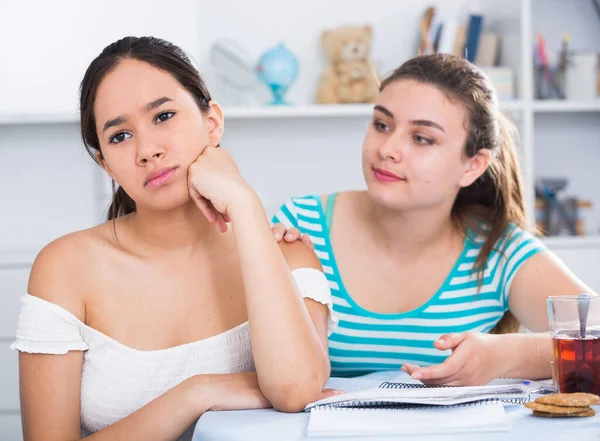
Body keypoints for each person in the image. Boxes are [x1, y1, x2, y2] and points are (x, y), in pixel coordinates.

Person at [12, 36, 339, 441]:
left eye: (164, 116)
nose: (147, 150)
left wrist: (243, 202)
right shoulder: (64, 268)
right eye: (119, 136)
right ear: (106, 165)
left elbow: (296, 390)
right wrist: (196, 393)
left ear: (212, 122)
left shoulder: (287, 254)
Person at [272, 53, 595, 385]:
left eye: (421, 138)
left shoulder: (498, 250)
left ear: (472, 166)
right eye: (382, 125)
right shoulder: (300, 225)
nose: (388, 149)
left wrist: (503, 356)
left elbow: (595, 334)